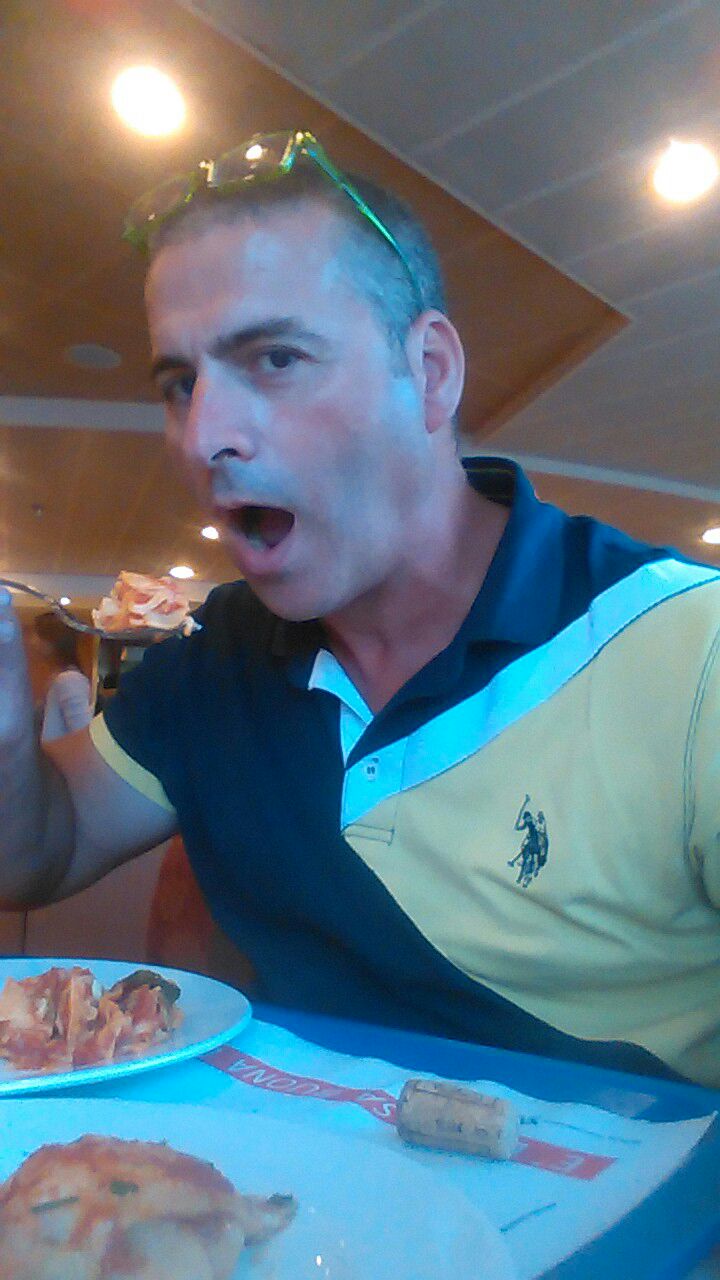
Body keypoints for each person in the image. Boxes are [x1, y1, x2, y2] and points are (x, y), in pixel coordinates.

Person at [0, 131, 718, 1087]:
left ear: (430, 372)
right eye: (180, 384)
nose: (203, 437)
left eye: (276, 358)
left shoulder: (691, 649)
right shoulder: (212, 658)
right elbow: (38, 856)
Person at [30, 612, 92, 743]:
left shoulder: (69, 680)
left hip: (59, 756)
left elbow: (82, 735)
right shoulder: (59, 678)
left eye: (37, 635)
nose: (33, 641)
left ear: (52, 640)